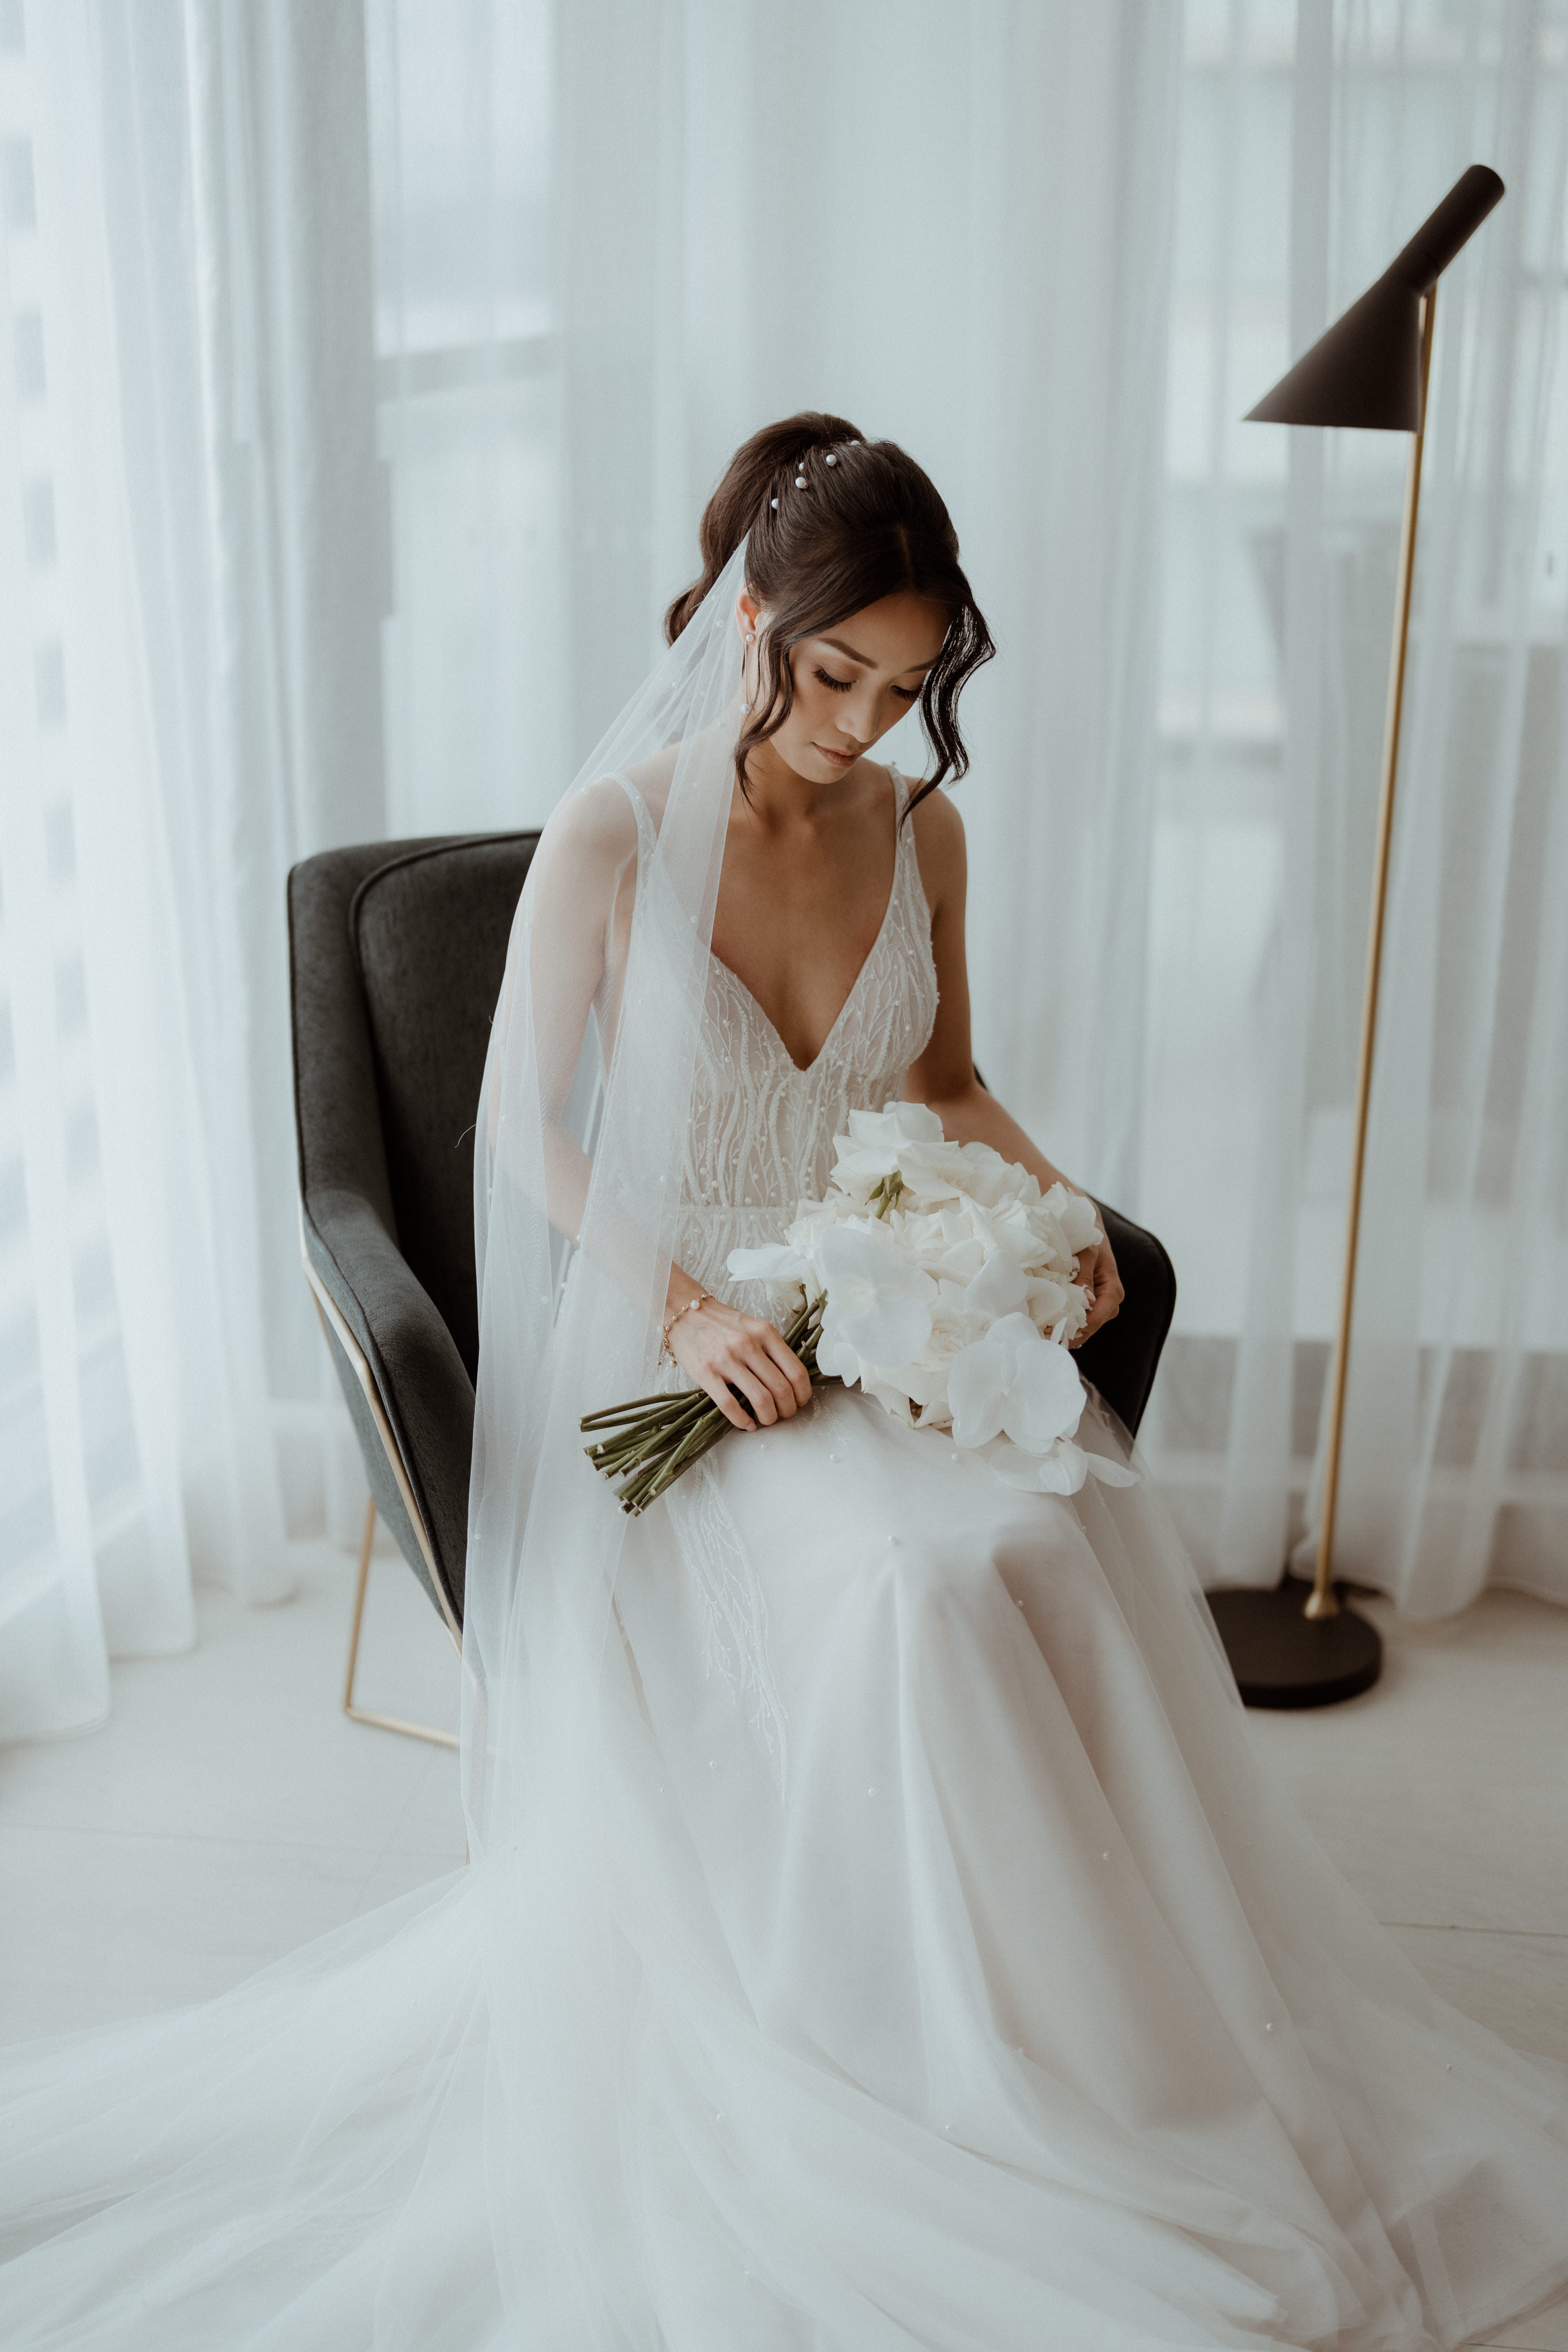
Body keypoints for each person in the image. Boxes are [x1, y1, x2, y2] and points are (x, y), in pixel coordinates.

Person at [2, 413, 1565, 2351]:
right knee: (920, 1588)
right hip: (695, 1343)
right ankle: (926, 2054)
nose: (866, 719)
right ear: (748, 616)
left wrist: (1053, 1210)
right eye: (838, 673)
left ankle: (1108, 2039)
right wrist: (675, 1314)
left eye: (910, 686)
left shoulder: (926, 828)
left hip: (885, 1288)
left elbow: (942, 1079)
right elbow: (516, 1132)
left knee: (1045, 1536)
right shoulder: (619, 830)